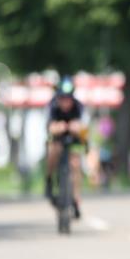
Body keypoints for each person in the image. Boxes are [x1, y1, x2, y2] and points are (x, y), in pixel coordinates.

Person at [44, 76, 86, 219]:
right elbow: (50, 127)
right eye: (62, 98)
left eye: (68, 98)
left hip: (73, 139)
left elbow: (82, 127)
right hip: (58, 138)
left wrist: (77, 128)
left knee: (75, 164)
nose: (65, 102)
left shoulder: (78, 106)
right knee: (53, 152)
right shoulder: (53, 106)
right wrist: (58, 127)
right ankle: (49, 180)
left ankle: (75, 198)